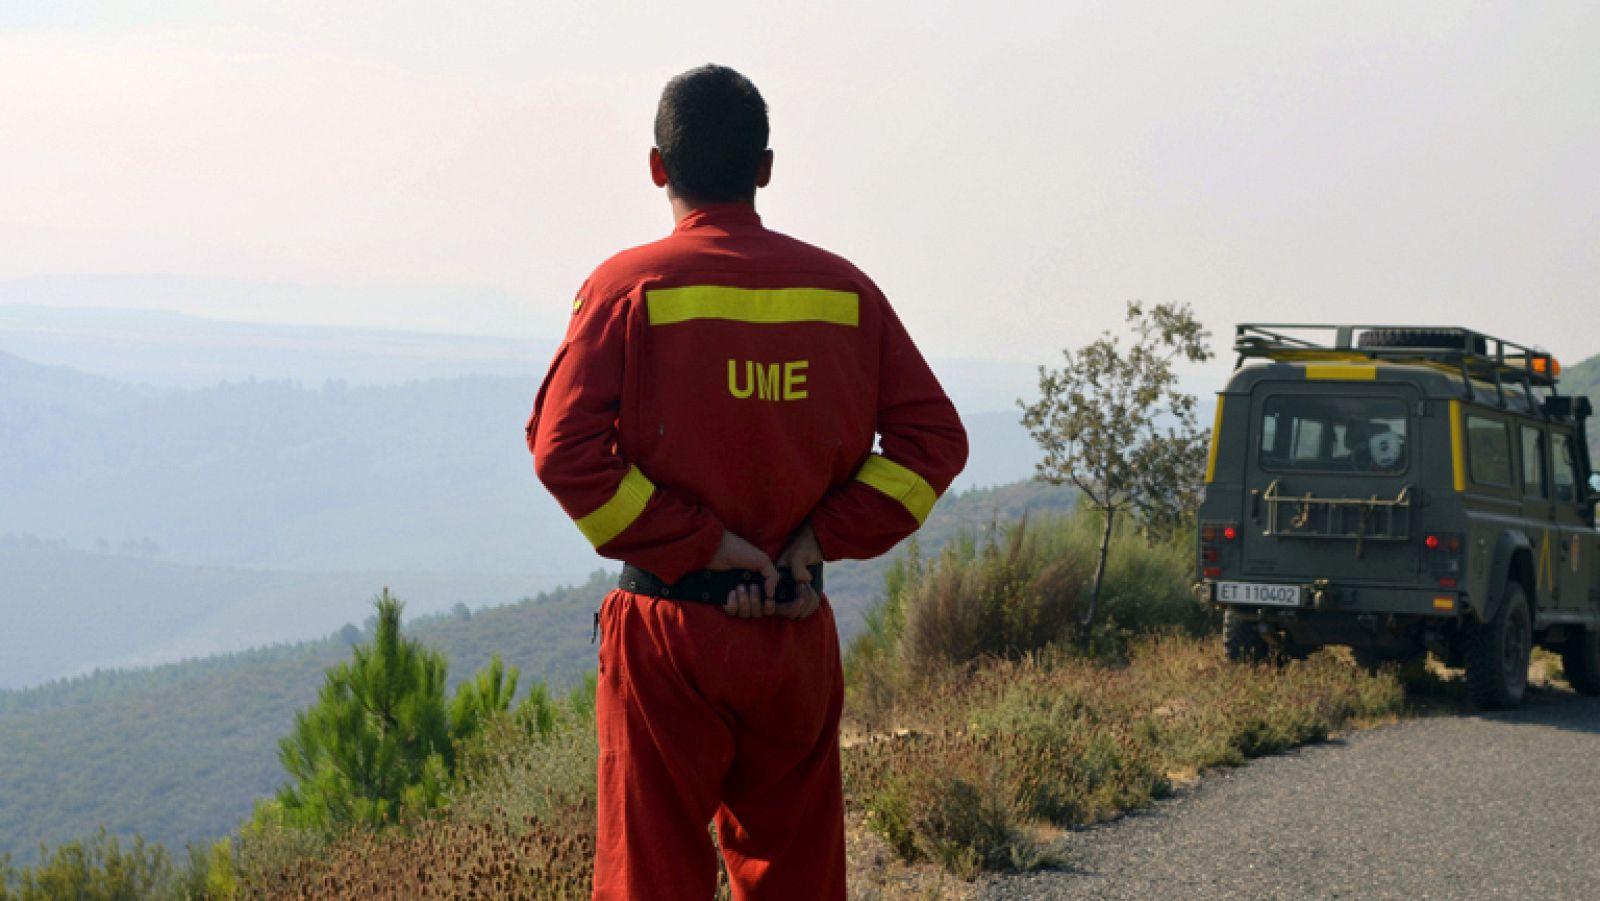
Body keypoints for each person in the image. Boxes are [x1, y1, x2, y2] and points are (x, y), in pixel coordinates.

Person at [527, 64, 967, 901]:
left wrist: (700, 545)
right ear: (765, 168)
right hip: (794, 636)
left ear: (658, 167)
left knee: (649, 877)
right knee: (798, 878)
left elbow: (563, 451)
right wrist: (818, 542)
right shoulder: (844, 292)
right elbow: (934, 440)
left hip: (668, 635)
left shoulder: (628, 289)